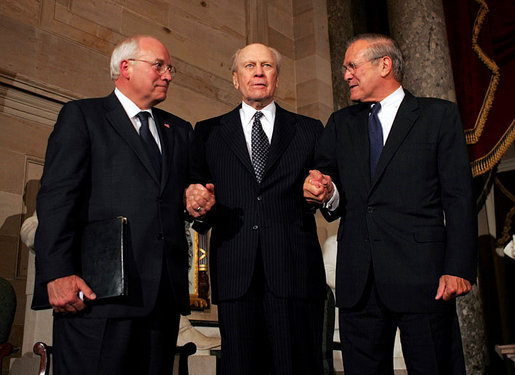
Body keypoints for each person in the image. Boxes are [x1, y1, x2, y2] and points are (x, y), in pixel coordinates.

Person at [33, 35, 214, 375]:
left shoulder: (178, 130)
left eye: (169, 68)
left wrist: (198, 198)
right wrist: (56, 273)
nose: (169, 75)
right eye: (159, 65)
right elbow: (57, 198)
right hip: (98, 294)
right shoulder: (83, 116)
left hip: (161, 300)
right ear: (125, 67)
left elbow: (192, 193)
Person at [304, 34, 477, 375]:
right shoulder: (340, 124)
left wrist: (457, 267)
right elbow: (332, 191)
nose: (346, 75)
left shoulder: (438, 116)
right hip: (359, 284)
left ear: (384, 65)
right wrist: (324, 191)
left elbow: (458, 196)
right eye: (343, 69)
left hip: (424, 280)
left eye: (352, 66)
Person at [186, 43, 326, 374]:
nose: (258, 72)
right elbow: (196, 194)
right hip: (236, 270)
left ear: (277, 77)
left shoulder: (309, 130)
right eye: (249, 66)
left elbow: (328, 188)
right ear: (235, 79)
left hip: (294, 270)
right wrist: (197, 203)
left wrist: (326, 190)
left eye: (266, 65)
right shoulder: (208, 132)